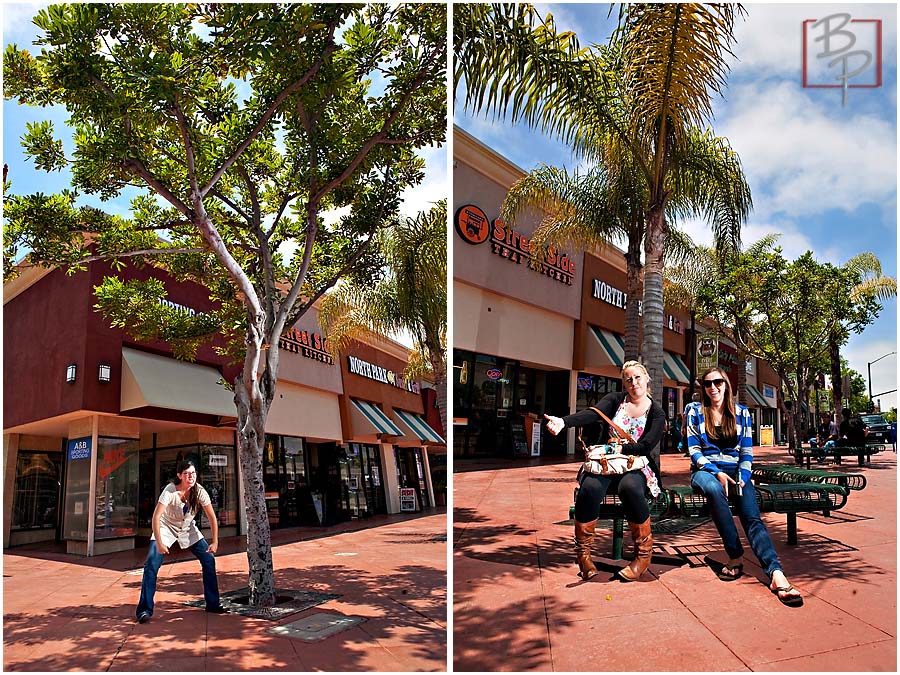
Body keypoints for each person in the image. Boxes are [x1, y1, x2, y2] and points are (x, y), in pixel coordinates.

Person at [686, 367, 802, 606]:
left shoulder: (742, 413)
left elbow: (747, 452)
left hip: (737, 472)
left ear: (726, 385)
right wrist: (716, 472)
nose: (713, 387)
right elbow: (694, 451)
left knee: (752, 517)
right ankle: (735, 554)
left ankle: (775, 573)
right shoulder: (695, 412)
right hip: (705, 471)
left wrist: (744, 475)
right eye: (708, 384)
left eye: (718, 382)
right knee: (714, 489)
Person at [544, 360, 665, 582]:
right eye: (628, 379)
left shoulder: (656, 412)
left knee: (630, 487)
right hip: (606, 463)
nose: (633, 382)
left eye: (638, 377)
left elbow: (647, 445)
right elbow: (592, 414)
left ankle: (643, 557)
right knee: (589, 489)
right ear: (624, 383)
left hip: (635, 464)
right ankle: (583, 555)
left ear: (646, 378)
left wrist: (619, 447)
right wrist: (563, 422)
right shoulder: (615, 400)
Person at [136, 460, 225, 623]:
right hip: (165, 528)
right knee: (151, 565)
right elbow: (156, 517)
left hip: (187, 529)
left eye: (193, 473)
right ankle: (144, 610)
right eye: (187, 474)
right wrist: (160, 543)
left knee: (208, 560)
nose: (191, 476)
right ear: (179, 476)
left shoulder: (200, 492)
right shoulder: (170, 491)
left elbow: (212, 517)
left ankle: (213, 603)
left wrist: (215, 541)